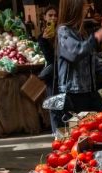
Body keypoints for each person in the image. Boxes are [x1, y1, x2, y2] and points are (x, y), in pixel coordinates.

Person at [37, 5, 63, 137]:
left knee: (64, 106)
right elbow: (50, 59)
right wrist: (47, 41)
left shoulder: (63, 33)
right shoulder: (42, 38)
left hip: (64, 74)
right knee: (54, 105)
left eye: (55, 15)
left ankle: (64, 134)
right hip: (53, 76)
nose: (53, 18)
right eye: (50, 15)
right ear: (44, 18)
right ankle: (56, 135)